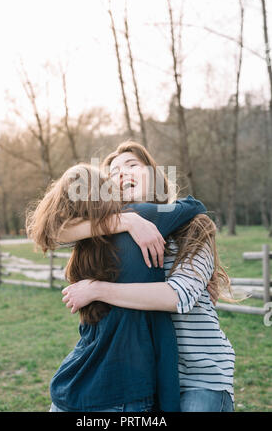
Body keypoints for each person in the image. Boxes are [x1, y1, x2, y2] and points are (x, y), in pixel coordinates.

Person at [60, 141, 236, 412]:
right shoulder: (107, 233)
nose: (121, 173)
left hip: (200, 376)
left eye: (131, 165)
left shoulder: (191, 224)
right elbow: (53, 232)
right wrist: (128, 221)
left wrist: (96, 289)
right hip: (149, 377)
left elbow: (179, 295)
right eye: (114, 172)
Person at [26, 162, 207, 412]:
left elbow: (46, 230)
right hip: (123, 387)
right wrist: (128, 220)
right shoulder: (142, 216)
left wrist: (124, 220)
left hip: (74, 382)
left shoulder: (84, 240)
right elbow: (195, 205)